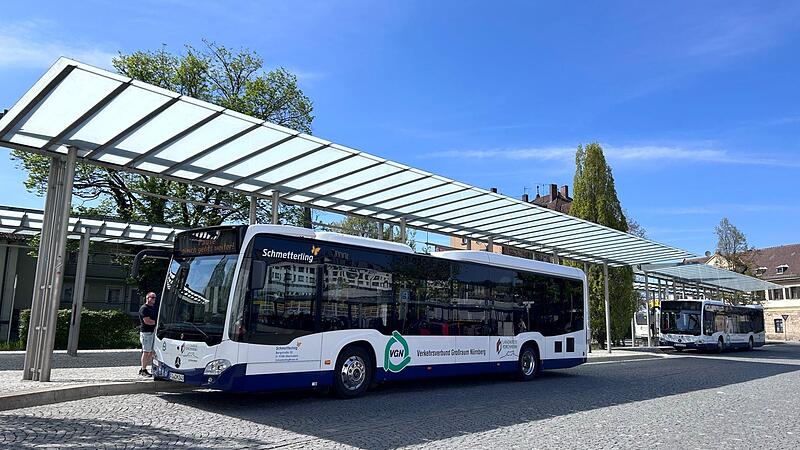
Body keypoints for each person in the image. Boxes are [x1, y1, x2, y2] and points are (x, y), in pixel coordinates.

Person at [138, 292, 158, 377]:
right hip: (146, 333)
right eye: (152, 297)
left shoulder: (153, 308)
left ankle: (146, 367)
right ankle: (143, 370)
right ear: (147, 298)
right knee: (146, 351)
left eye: (155, 297)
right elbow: (147, 321)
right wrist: (157, 323)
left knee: (151, 351)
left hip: (152, 332)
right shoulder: (144, 308)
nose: (154, 299)